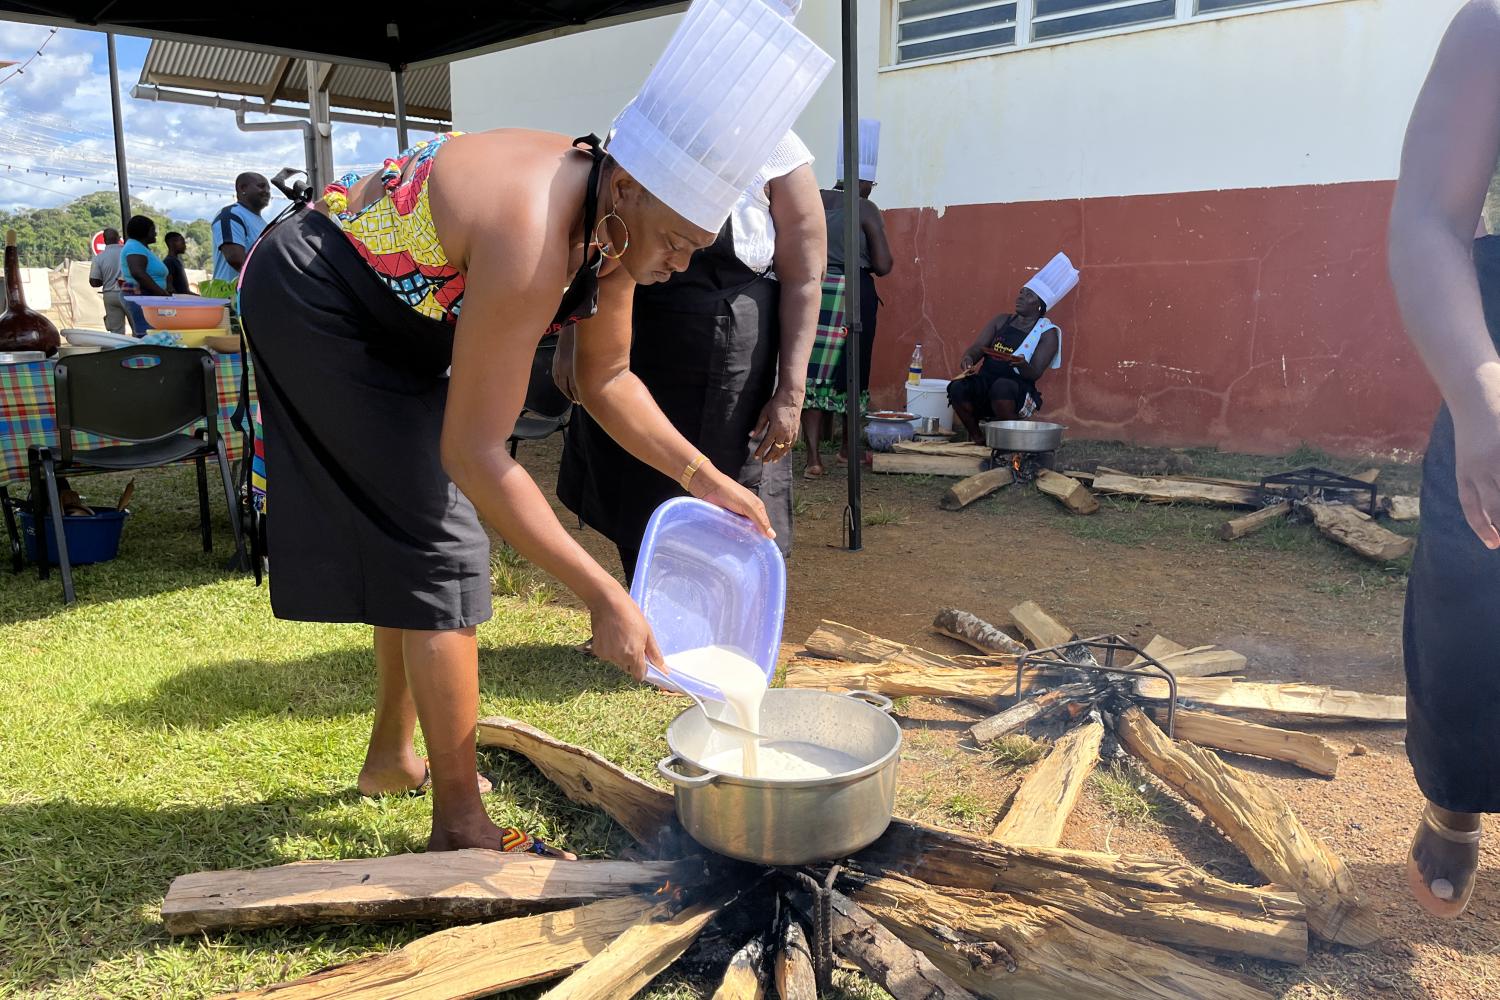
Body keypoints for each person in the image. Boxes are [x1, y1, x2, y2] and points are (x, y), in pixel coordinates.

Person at [237, 0, 830, 856]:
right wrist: (605, 595)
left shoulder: (617, 228)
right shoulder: (534, 228)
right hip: (315, 295)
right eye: (677, 241)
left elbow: (607, 378)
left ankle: (391, 758)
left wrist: (709, 478)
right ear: (628, 186)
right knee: (441, 543)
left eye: (698, 248)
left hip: (398, 315)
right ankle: (460, 829)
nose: (678, 265)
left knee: (422, 532)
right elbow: (476, 453)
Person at [556, 121, 825, 579]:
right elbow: (598, 245)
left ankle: (709, 628)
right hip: (629, 329)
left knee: (718, 490)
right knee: (630, 469)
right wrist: (570, 336)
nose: (680, 260)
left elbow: (805, 277)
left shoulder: (779, 147)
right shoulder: (648, 125)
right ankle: (644, 610)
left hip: (724, 357)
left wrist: (790, 392)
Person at [1387, 0, 1500, 919]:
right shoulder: (1495, 26)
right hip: (1496, 353)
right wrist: (1478, 396)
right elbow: (1429, 214)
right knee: (1472, 601)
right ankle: (1455, 804)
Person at [800, 118, 892, 477]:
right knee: (854, 369)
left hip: (816, 291)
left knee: (811, 373)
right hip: (853, 295)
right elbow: (884, 265)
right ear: (865, 180)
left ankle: (811, 460)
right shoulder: (865, 208)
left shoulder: (814, 198)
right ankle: (844, 451)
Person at [947, 252, 1078, 444]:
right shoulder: (1002, 320)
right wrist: (968, 358)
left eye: (1028, 295)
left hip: (1017, 390)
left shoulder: (1047, 334)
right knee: (957, 388)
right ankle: (978, 438)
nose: (1020, 297)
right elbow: (978, 347)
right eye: (1021, 292)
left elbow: (1034, 374)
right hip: (986, 381)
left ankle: (1011, 442)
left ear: (1040, 306)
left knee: (1002, 386)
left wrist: (1022, 364)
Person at [212, 172, 271, 283]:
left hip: (254, 295)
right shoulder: (230, 215)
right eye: (261, 186)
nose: (267, 192)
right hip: (230, 296)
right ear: (243, 188)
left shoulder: (263, 223)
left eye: (268, 188)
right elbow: (236, 260)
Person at [120, 215, 170, 336]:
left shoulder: (140, 247)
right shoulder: (134, 247)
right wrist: (161, 292)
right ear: (144, 231)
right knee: (146, 334)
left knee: (151, 333)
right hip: (141, 296)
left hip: (147, 296)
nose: (155, 233)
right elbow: (138, 273)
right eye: (153, 230)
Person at [87, 227, 126, 336]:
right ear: (119, 238)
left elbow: (94, 282)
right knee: (136, 328)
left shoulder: (99, 257)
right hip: (129, 293)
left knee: (116, 332)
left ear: (104, 240)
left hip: (110, 296)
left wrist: (107, 278)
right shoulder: (127, 252)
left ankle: (119, 352)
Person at [163, 231, 192, 296]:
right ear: (172, 243)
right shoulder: (169, 262)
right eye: (182, 242)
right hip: (178, 302)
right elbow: (170, 288)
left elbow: (185, 291)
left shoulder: (176, 261)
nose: (185, 246)